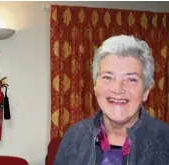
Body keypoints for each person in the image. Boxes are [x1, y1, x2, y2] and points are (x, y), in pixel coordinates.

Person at [54, 35, 169, 165]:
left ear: (146, 91)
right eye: (108, 77)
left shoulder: (165, 141)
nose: (117, 89)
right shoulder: (74, 137)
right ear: (95, 85)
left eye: (131, 79)